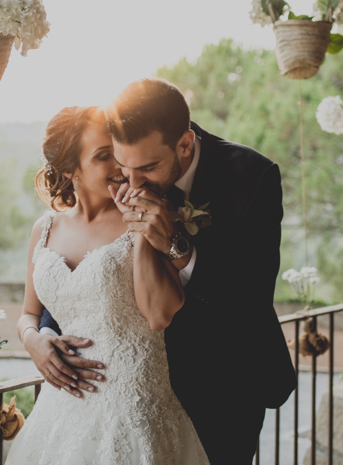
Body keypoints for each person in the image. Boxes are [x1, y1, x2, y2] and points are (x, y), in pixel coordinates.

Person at [26, 78, 296, 465]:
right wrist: (39, 335)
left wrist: (177, 246)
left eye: (148, 168)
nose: (130, 183)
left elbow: (249, 296)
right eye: (121, 163)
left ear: (184, 145)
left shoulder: (250, 177)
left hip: (223, 383)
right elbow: (81, 289)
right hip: (124, 394)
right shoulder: (121, 163)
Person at [6, 105, 210, 465]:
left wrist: (140, 229)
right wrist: (33, 341)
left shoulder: (151, 215)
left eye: (117, 153)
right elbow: (28, 313)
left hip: (136, 409)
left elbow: (160, 315)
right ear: (71, 169)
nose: (120, 166)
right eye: (104, 156)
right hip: (62, 409)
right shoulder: (45, 229)